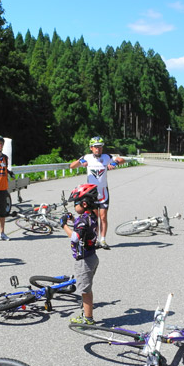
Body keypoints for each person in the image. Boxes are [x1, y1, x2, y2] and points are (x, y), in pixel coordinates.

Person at [69, 136, 125, 249]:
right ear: (91, 148)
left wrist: (115, 163)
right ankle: (95, 240)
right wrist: (80, 161)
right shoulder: (87, 157)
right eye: (95, 147)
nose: (98, 149)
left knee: (103, 217)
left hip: (103, 192)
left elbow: (121, 160)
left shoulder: (107, 157)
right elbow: (71, 166)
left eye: (100, 147)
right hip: (91, 193)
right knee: (94, 218)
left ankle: (103, 240)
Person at [60, 183, 100, 325]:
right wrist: (72, 219)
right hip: (92, 256)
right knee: (86, 287)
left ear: (83, 204)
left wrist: (64, 225)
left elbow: (75, 237)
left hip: (84, 260)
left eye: (75, 203)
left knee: (85, 290)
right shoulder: (92, 216)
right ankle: (86, 313)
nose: (74, 206)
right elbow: (83, 225)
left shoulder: (83, 220)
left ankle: (88, 319)